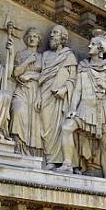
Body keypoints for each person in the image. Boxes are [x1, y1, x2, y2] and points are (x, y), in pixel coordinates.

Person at [56, 33, 106, 187]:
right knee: (66, 127)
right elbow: (77, 90)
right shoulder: (83, 66)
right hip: (83, 108)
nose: (89, 46)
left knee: (105, 142)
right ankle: (67, 164)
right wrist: (73, 108)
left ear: (101, 49)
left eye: (93, 44)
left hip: (102, 109)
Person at [37, 25, 78, 166]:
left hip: (61, 97)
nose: (51, 35)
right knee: (46, 127)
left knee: (60, 128)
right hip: (45, 93)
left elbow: (73, 79)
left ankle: (58, 161)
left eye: (55, 33)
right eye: (51, 33)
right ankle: (49, 158)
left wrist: (65, 89)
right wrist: (37, 95)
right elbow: (40, 77)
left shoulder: (69, 56)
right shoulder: (45, 55)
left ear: (62, 37)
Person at [8, 27, 43, 156]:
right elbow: (15, 72)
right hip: (22, 89)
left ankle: (31, 152)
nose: (32, 38)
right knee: (17, 111)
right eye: (29, 36)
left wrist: (32, 76)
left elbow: (47, 76)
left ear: (39, 40)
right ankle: (18, 145)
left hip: (36, 91)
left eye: (35, 36)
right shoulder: (20, 54)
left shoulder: (43, 57)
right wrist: (28, 61)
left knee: (35, 121)